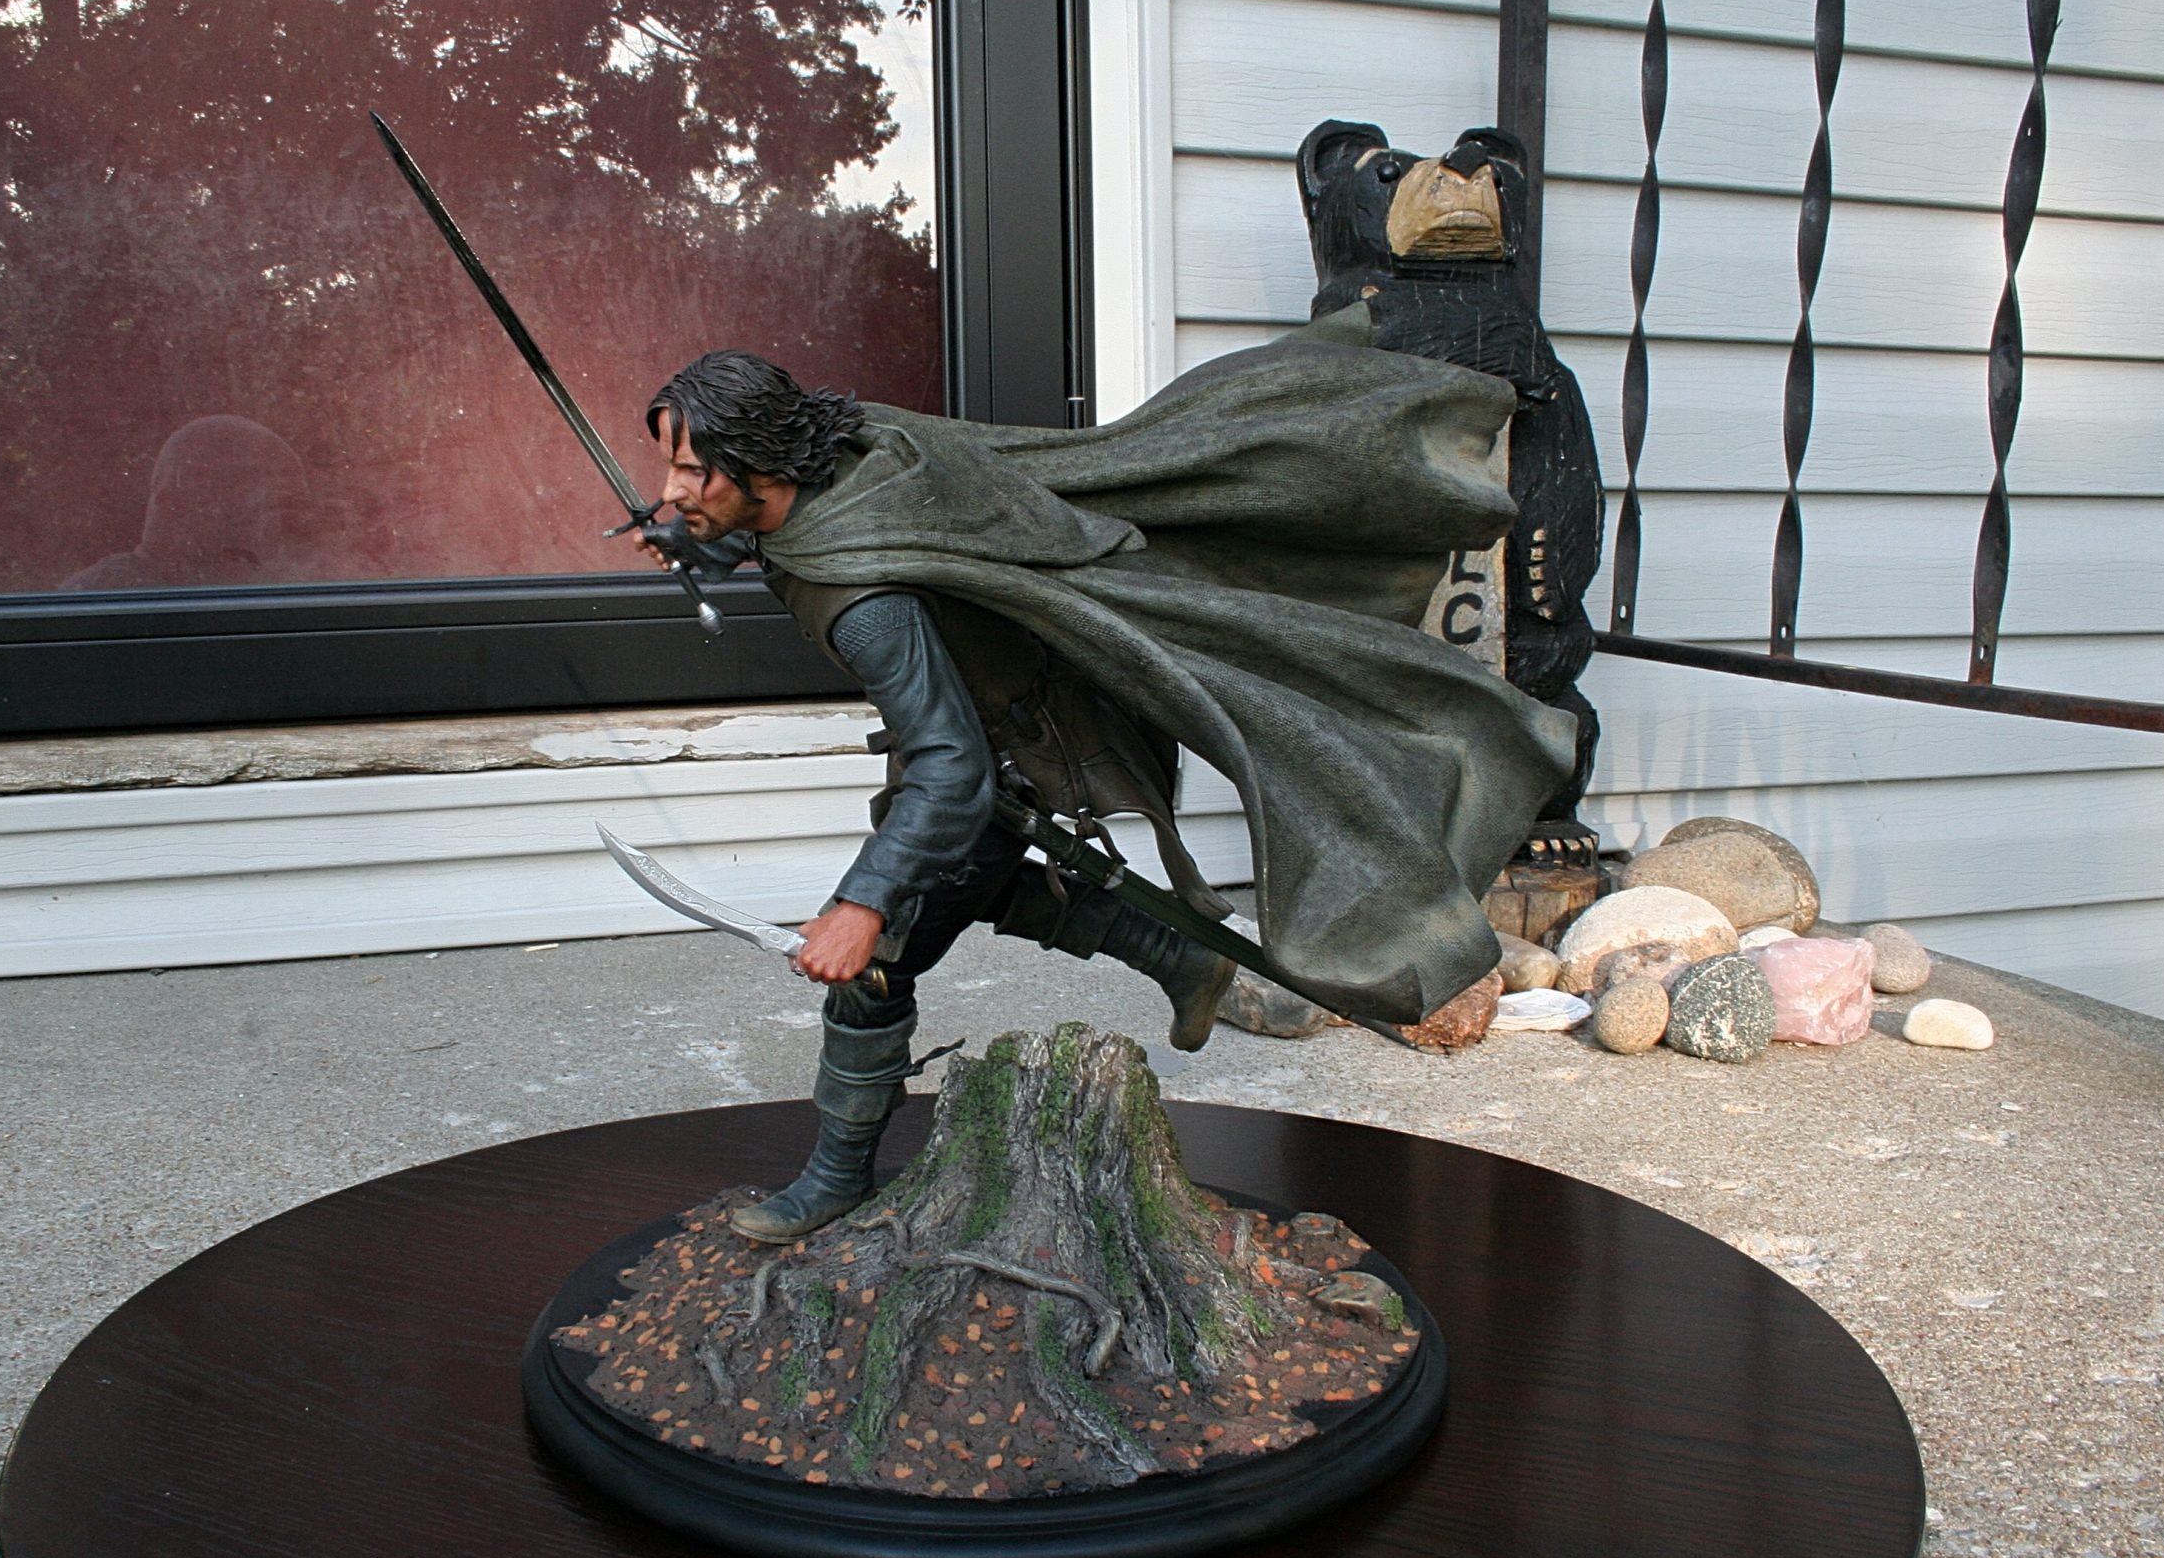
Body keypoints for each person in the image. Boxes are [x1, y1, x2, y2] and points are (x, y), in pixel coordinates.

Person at [640, 313, 1575, 1242]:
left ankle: (835, 1177)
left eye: (693, 471)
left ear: (764, 462)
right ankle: (1181, 957)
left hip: (1008, 752)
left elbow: (951, 767)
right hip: (997, 737)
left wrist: (862, 904)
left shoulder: (865, 607)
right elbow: (783, 535)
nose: (672, 490)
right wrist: (698, 539)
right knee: (975, 877)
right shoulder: (860, 453)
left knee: (876, 967)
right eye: (674, 469)